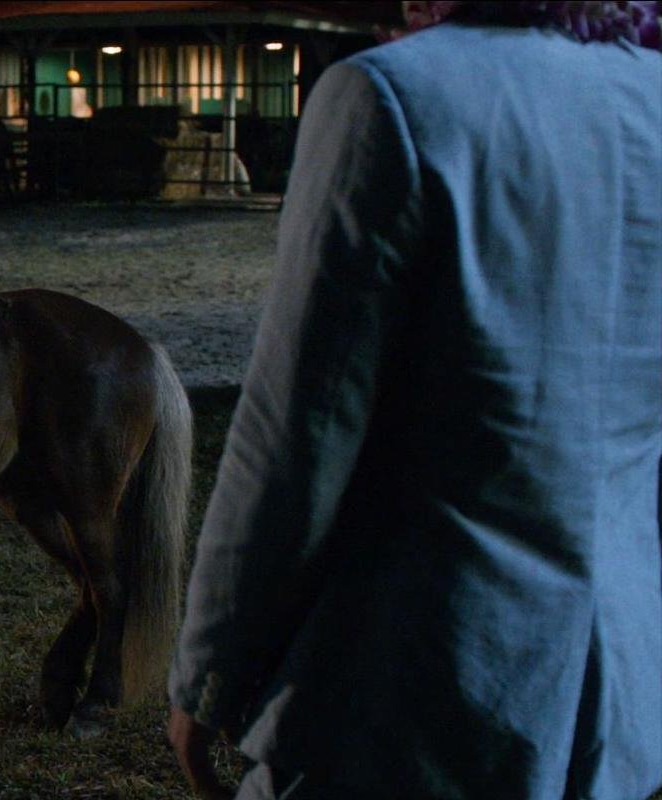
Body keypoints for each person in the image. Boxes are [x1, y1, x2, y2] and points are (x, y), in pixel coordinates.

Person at [167, 4, 660, 798]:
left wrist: (210, 672)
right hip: (613, 693)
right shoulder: (650, 94)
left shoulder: (391, 95)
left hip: (413, 687)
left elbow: (297, 433)